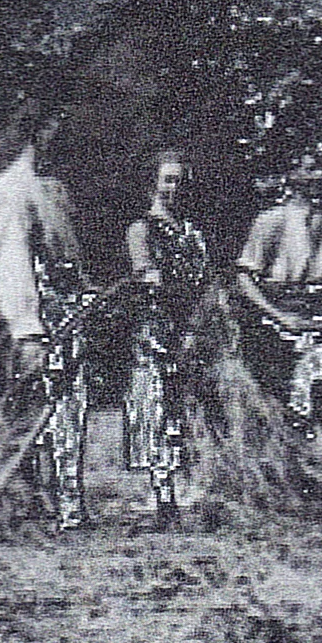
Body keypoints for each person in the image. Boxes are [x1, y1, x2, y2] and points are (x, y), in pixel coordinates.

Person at [0, 99, 93, 530]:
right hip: (35, 320)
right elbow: (12, 263)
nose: (64, 139)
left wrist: (83, 294)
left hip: (67, 316)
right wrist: (27, 330)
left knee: (68, 410)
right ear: (38, 132)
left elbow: (67, 255)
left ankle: (66, 504)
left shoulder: (53, 188)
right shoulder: (14, 189)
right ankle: (33, 504)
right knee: (37, 415)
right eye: (55, 129)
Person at [235, 151, 322, 455]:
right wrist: (280, 317)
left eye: (321, 169)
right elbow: (245, 279)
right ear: (291, 175)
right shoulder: (272, 221)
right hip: (281, 327)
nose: (318, 177)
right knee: (292, 410)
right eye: (309, 169)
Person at [123, 149, 212, 524]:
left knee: (189, 409)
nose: (176, 188)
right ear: (153, 184)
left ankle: (192, 490)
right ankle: (163, 496)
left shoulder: (192, 232)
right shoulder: (142, 230)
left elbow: (204, 280)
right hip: (156, 330)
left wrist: (197, 321)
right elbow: (148, 279)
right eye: (169, 180)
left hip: (192, 329)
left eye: (181, 180)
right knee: (157, 410)